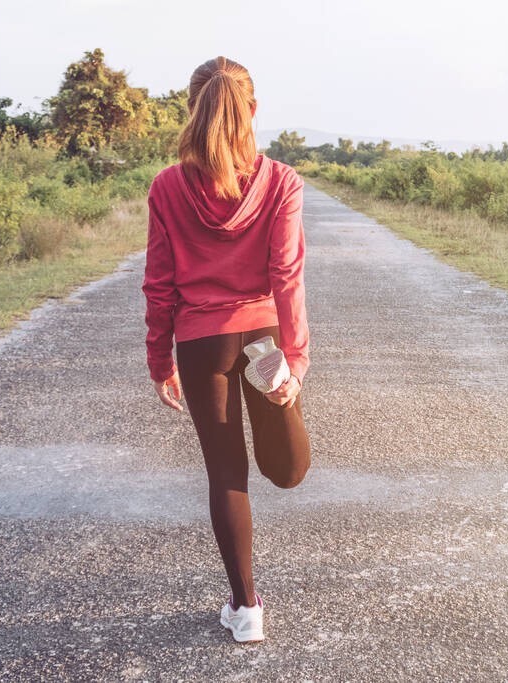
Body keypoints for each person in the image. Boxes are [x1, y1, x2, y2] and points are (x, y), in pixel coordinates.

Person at [141, 56, 312, 644]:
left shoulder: (167, 185)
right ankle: (284, 400)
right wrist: (296, 358)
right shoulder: (282, 181)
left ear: (193, 108)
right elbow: (286, 273)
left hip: (200, 343)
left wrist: (159, 360)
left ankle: (246, 612)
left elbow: (160, 284)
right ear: (254, 109)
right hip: (263, 336)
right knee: (287, 470)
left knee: (226, 472)